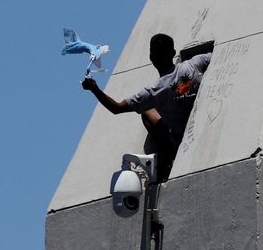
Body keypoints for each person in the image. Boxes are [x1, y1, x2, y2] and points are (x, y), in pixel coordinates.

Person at [81, 33, 211, 181]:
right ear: (173, 53)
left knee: (147, 112)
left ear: (151, 57)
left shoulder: (154, 92)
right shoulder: (195, 63)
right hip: (204, 123)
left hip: (181, 138)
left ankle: (165, 159)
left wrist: (94, 89)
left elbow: (116, 108)